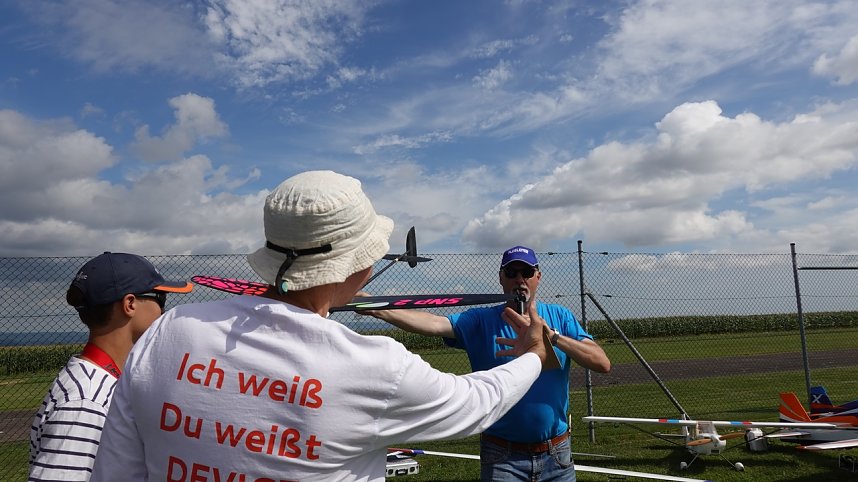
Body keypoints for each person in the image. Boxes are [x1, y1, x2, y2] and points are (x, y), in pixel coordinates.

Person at [89, 170, 553, 482]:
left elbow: (116, 470)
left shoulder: (170, 332)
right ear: (359, 264)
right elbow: (478, 400)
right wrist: (533, 353)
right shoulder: (375, 366)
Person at [363, 245, 611, 481]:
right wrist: (378, 308)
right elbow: (434, 323)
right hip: (502, 455)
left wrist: (553, 337)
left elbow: (601, 362)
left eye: (526, 272)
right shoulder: (481, 320)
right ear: (501, 278)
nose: (519, 279)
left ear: (538, 276)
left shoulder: (560, 316)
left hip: (556, 453)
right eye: (511, 273)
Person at [28, 252, 193, 482]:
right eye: (160, 297)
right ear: (130, 304)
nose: (162, 311)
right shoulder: (86, 402)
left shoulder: (95, 382)